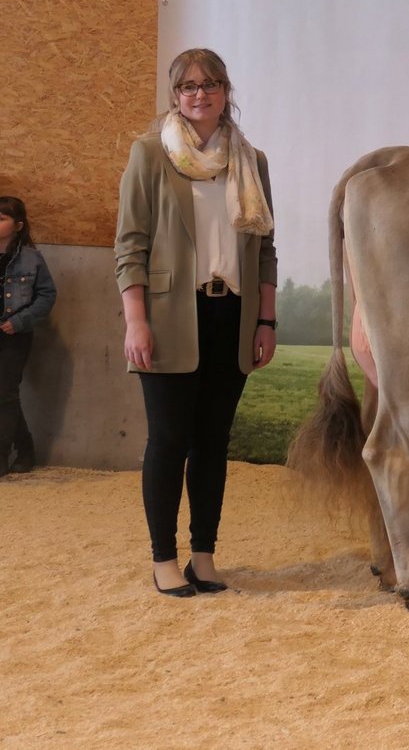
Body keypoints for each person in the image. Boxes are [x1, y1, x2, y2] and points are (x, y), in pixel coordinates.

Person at [115, 48, 278, 597]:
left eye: (210, 84)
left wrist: (266, 320)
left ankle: (202, 556)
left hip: (233, 316)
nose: (200, 94)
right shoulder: (150, 153)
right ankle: (163, 558)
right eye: (188, 86)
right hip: (168, 316)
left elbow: (266, 250)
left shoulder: (252, 161)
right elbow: (130, 246)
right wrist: (135, 321)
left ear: (226, 92)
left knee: (212, 443)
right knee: (168, 441)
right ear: (175, 95)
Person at [0, 196, 57, 477]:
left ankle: (2, 457)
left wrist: (20, 321)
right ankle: (25, 450)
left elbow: (47, 295)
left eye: (1, 218)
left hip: (14, 335)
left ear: (18, 225)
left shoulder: (31, 258)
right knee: (5, 395)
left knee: (5, 392)